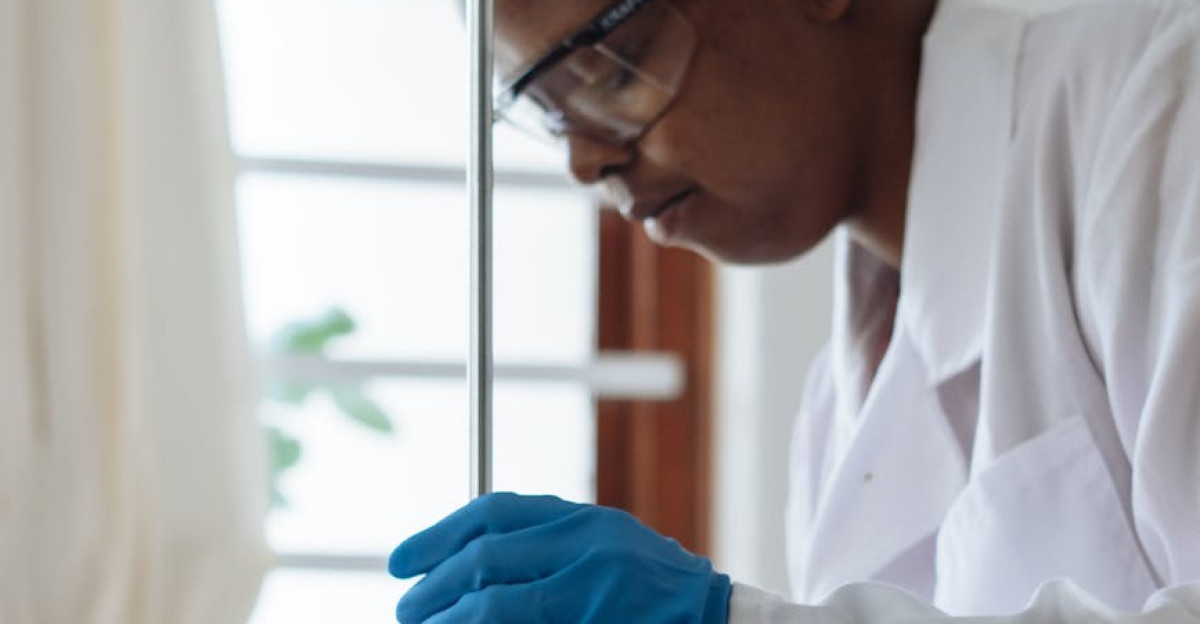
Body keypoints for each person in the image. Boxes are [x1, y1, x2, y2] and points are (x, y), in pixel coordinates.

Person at [388, 0, 1200, 621]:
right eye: (550, 111)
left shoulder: (1161, 96)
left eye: (611, 70)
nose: (587, 161)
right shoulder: (832, 426)